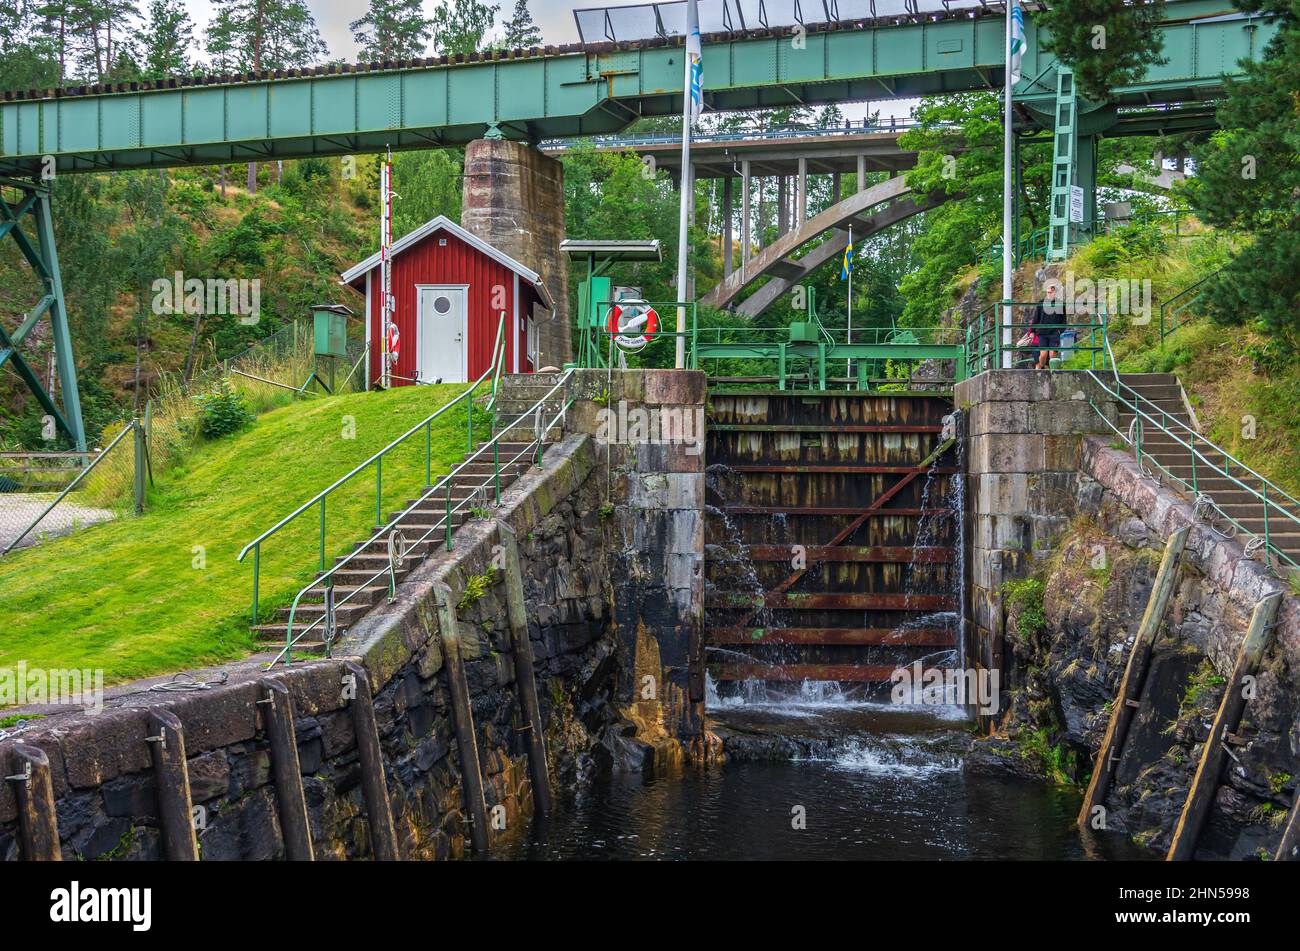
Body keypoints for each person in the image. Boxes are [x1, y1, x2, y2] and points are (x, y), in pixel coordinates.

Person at [1028, 285, 1063, 370]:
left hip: (1054, 332)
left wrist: (1060, 331)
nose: (1049, 294)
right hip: (1042, 333)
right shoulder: (1041, 303)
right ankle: (1042, 367)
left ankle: (1053, 372)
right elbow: (1036, 317)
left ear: (1055, 293)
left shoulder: (1060, 304)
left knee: (1052, 355)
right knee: (1043, 355)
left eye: (1050, 292)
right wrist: (1032, 331)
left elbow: (1063, 319)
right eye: (1047, 292)